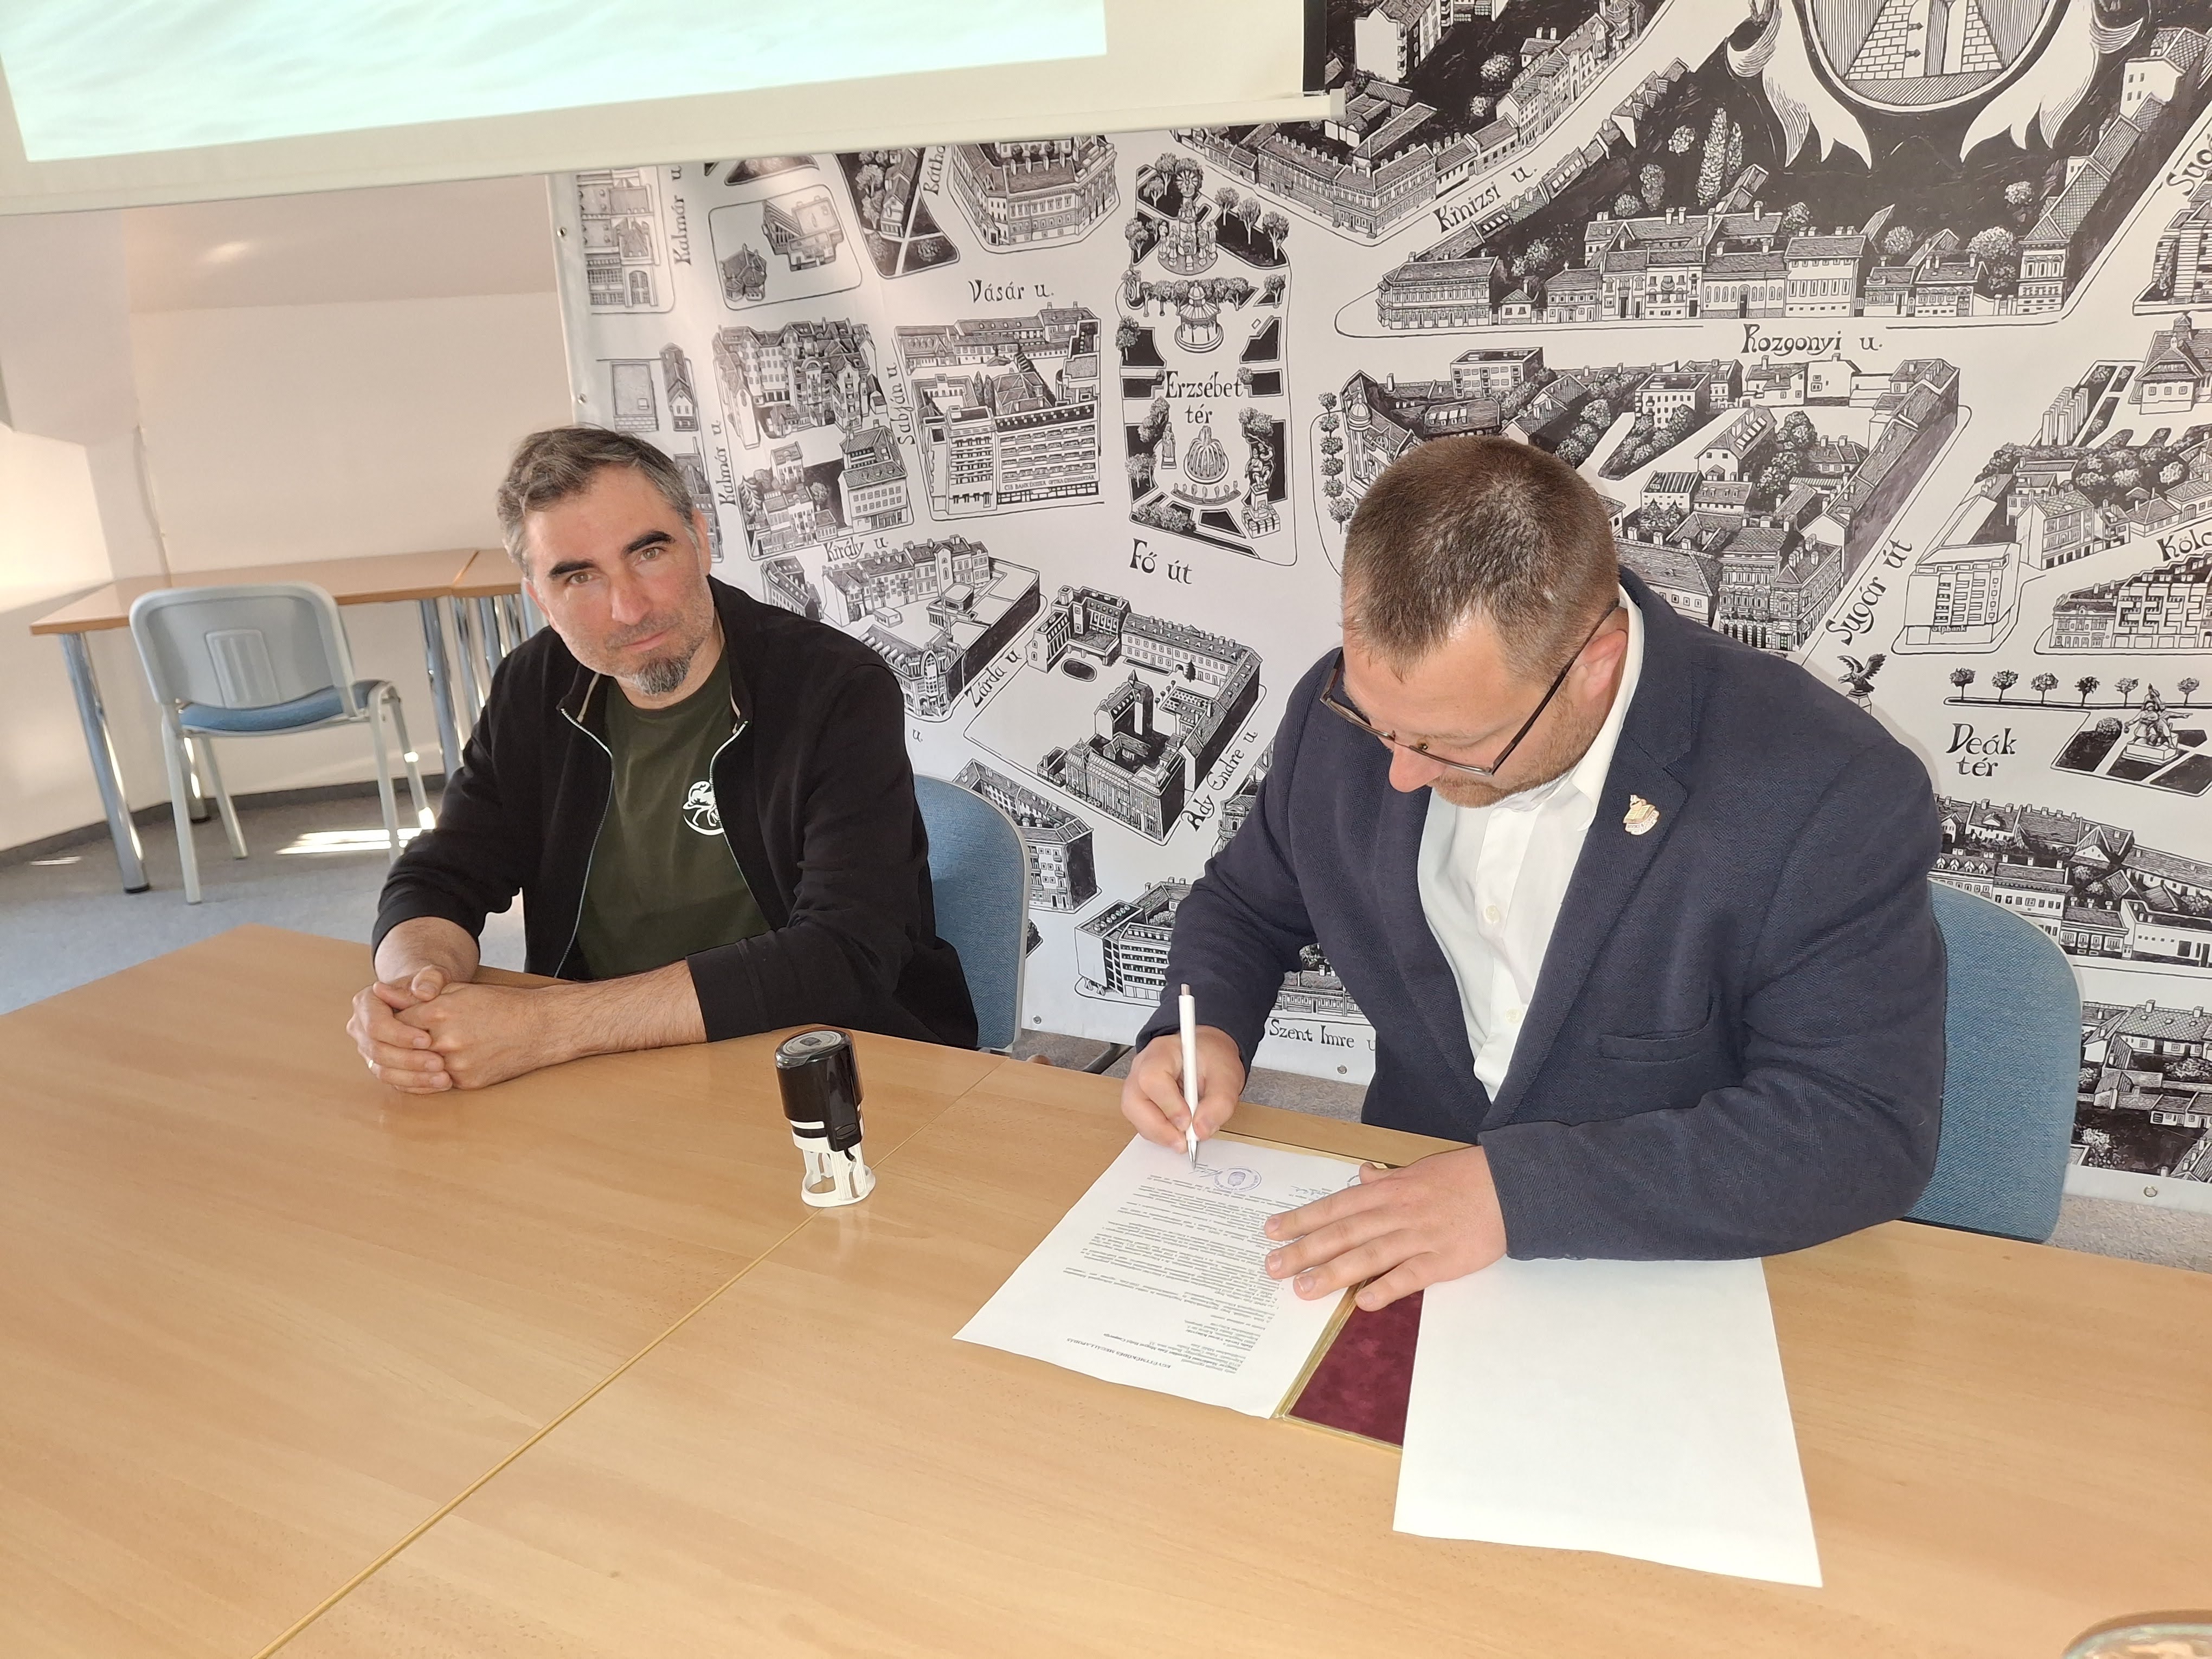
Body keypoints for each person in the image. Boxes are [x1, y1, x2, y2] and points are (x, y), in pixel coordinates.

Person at [1121, 435, 1943, 1310]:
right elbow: (1248, 907)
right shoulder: (1357, 716)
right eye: (1378, 724)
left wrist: (1518, 1196)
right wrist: (1202, 1030)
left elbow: (1860, 1128)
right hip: (1408, 1234)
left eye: (1454, 744)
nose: (1401, 773)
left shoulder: (1827, 787)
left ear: (1596, 663)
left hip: (1677, 1277)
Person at [349, 426, 975, 1091]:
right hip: (606, 1063)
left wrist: (549, 1026)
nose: (629, 609)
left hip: (818, 1058)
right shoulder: (532, 686)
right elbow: (444, 872)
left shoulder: (833, 687)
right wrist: (414, 994)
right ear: (540, 600)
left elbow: (844, 951)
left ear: (699, 539)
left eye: (648, 553)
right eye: (580, 576)